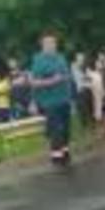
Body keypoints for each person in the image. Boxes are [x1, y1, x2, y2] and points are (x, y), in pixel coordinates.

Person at [30, 32, 73, 165]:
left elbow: (66, 76)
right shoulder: (39, 60)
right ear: (43, 45)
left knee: (66, 129)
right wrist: (52, 81)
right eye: (48, 43)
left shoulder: (60, 58)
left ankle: (65, 153)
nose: (52, 45)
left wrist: (66, 81)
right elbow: (34, 82)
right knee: (56, 129)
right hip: (50, 101)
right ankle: (56, 157)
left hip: (64, 99)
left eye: (53, 43)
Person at [71, 52, 93, 127]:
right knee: (82, 109)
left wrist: (87, 78)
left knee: (88, 107)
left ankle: (89, 124)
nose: (81, 60)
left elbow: (88, 78)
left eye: (82, 59)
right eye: (79, 59)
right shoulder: (74, 68)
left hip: (85, 90)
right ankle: (84, 125)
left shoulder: (84, 68)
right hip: (79, 91)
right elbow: (77, 79)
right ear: (76, 59)